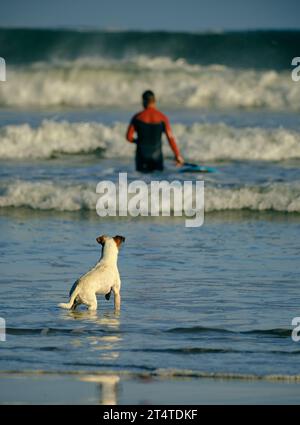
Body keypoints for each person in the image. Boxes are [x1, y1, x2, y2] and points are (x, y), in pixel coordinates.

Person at [126, 90, 184, 172]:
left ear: (143, 101)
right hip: (157, 157)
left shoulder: (137, 117)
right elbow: (170, 138)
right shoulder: (162, 117)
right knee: (157, 182)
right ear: (154, 101)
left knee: (139, 183)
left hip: (142, 157)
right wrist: (177, 155)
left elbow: (128, 137)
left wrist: (139, 141)